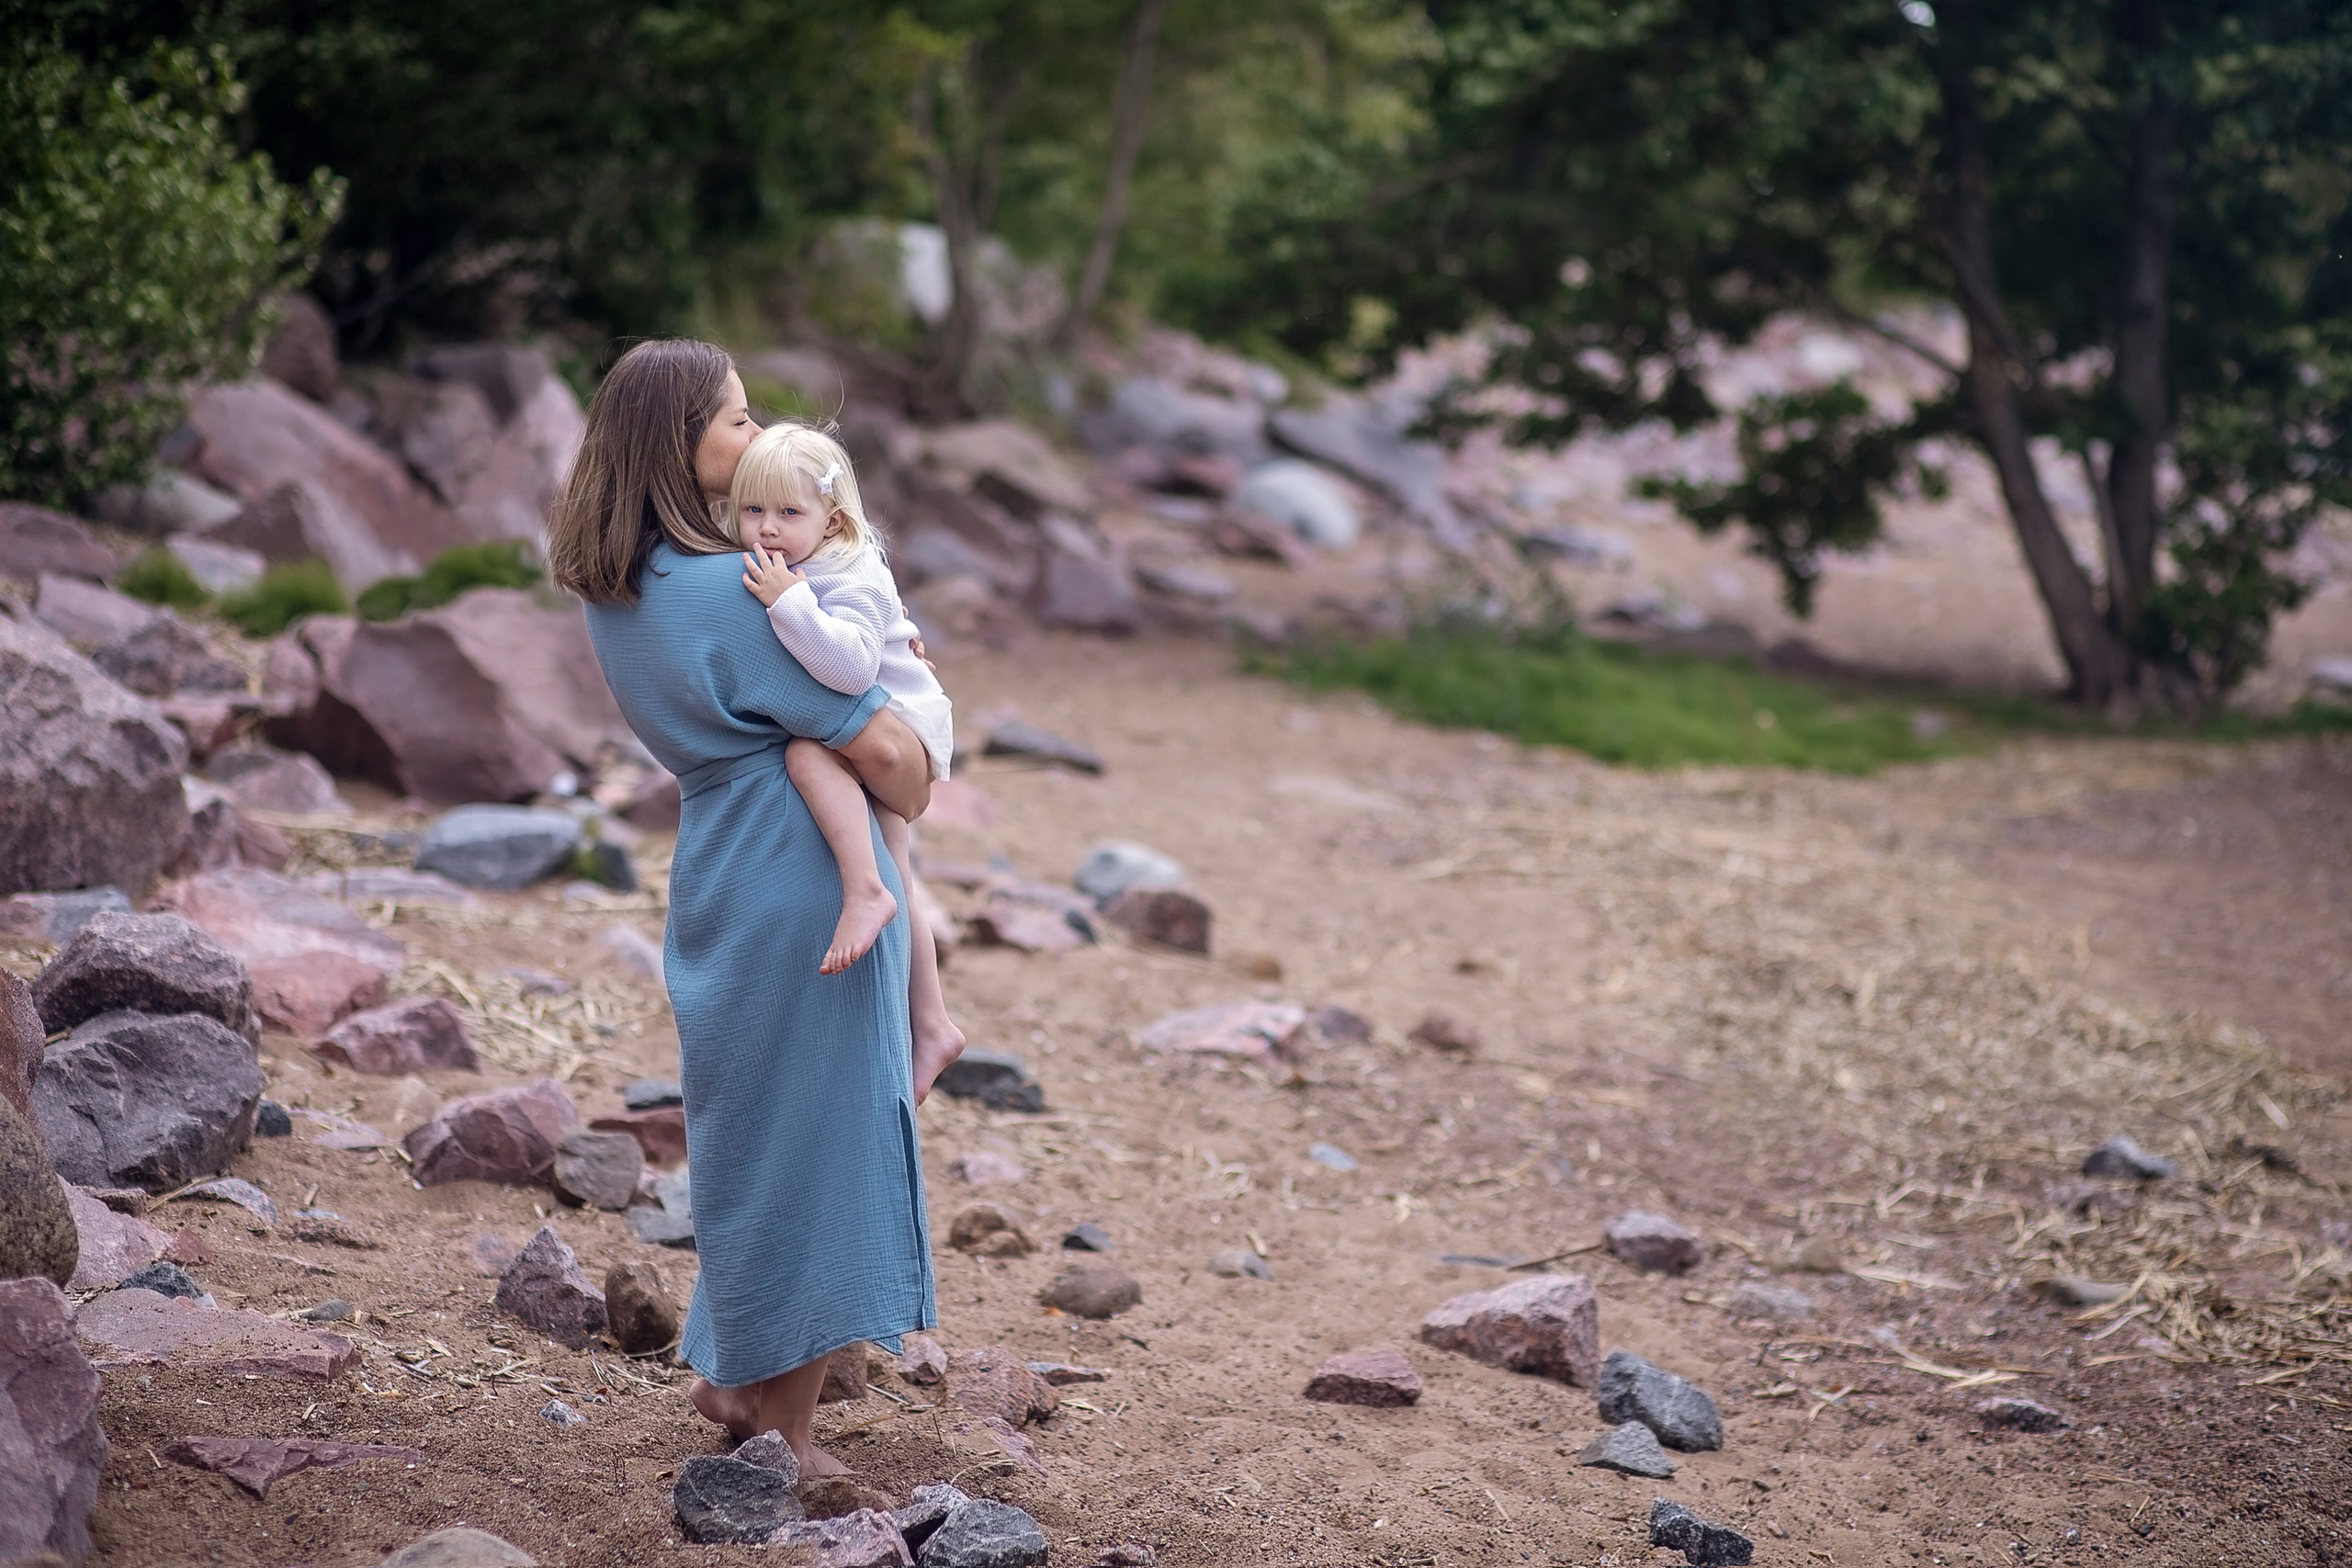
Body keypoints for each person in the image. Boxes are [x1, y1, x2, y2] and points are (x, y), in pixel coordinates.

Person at [546, 338, 935, 1475]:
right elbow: (895, 763)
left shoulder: (618, 595)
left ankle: (733, 1374)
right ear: (680, 444)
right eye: (734, 418)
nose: (756, 435)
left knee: (753, 1135)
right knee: (824, 1138)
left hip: (717, 857)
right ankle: (786, 1429)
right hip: (802, 862)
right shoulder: (742, 591)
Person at [726, 423, 966, 1101]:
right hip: (882, 722)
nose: (767, 529)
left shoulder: (850, 569)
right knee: (902, 875)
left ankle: (862, 891)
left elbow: (852, 669)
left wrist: (790, 603)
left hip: (901, 721)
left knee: (807, 753)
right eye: (752, 510)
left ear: (831, 520)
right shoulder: (804, 552)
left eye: (788, 512)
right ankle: (933, 1024)